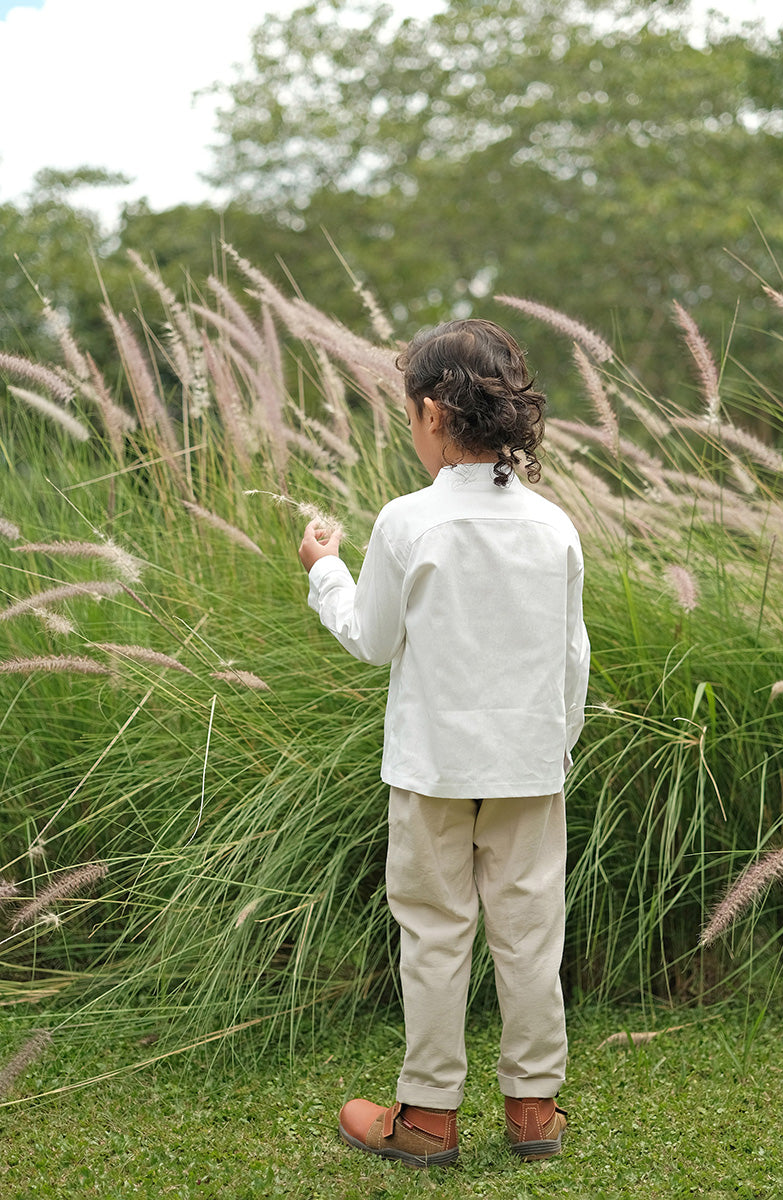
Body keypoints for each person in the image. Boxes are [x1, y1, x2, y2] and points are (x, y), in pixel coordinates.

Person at [298, 318, 590, 1168]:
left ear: (431, 413)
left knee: (433, 930)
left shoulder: (407, 522)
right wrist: (552, 749)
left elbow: (372, 638)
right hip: (531, 767)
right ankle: (534, 1109)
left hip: (431, 769)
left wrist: (325, 568)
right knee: (531, 931)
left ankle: (427, 1119)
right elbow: (573, 659)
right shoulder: (554, 526)